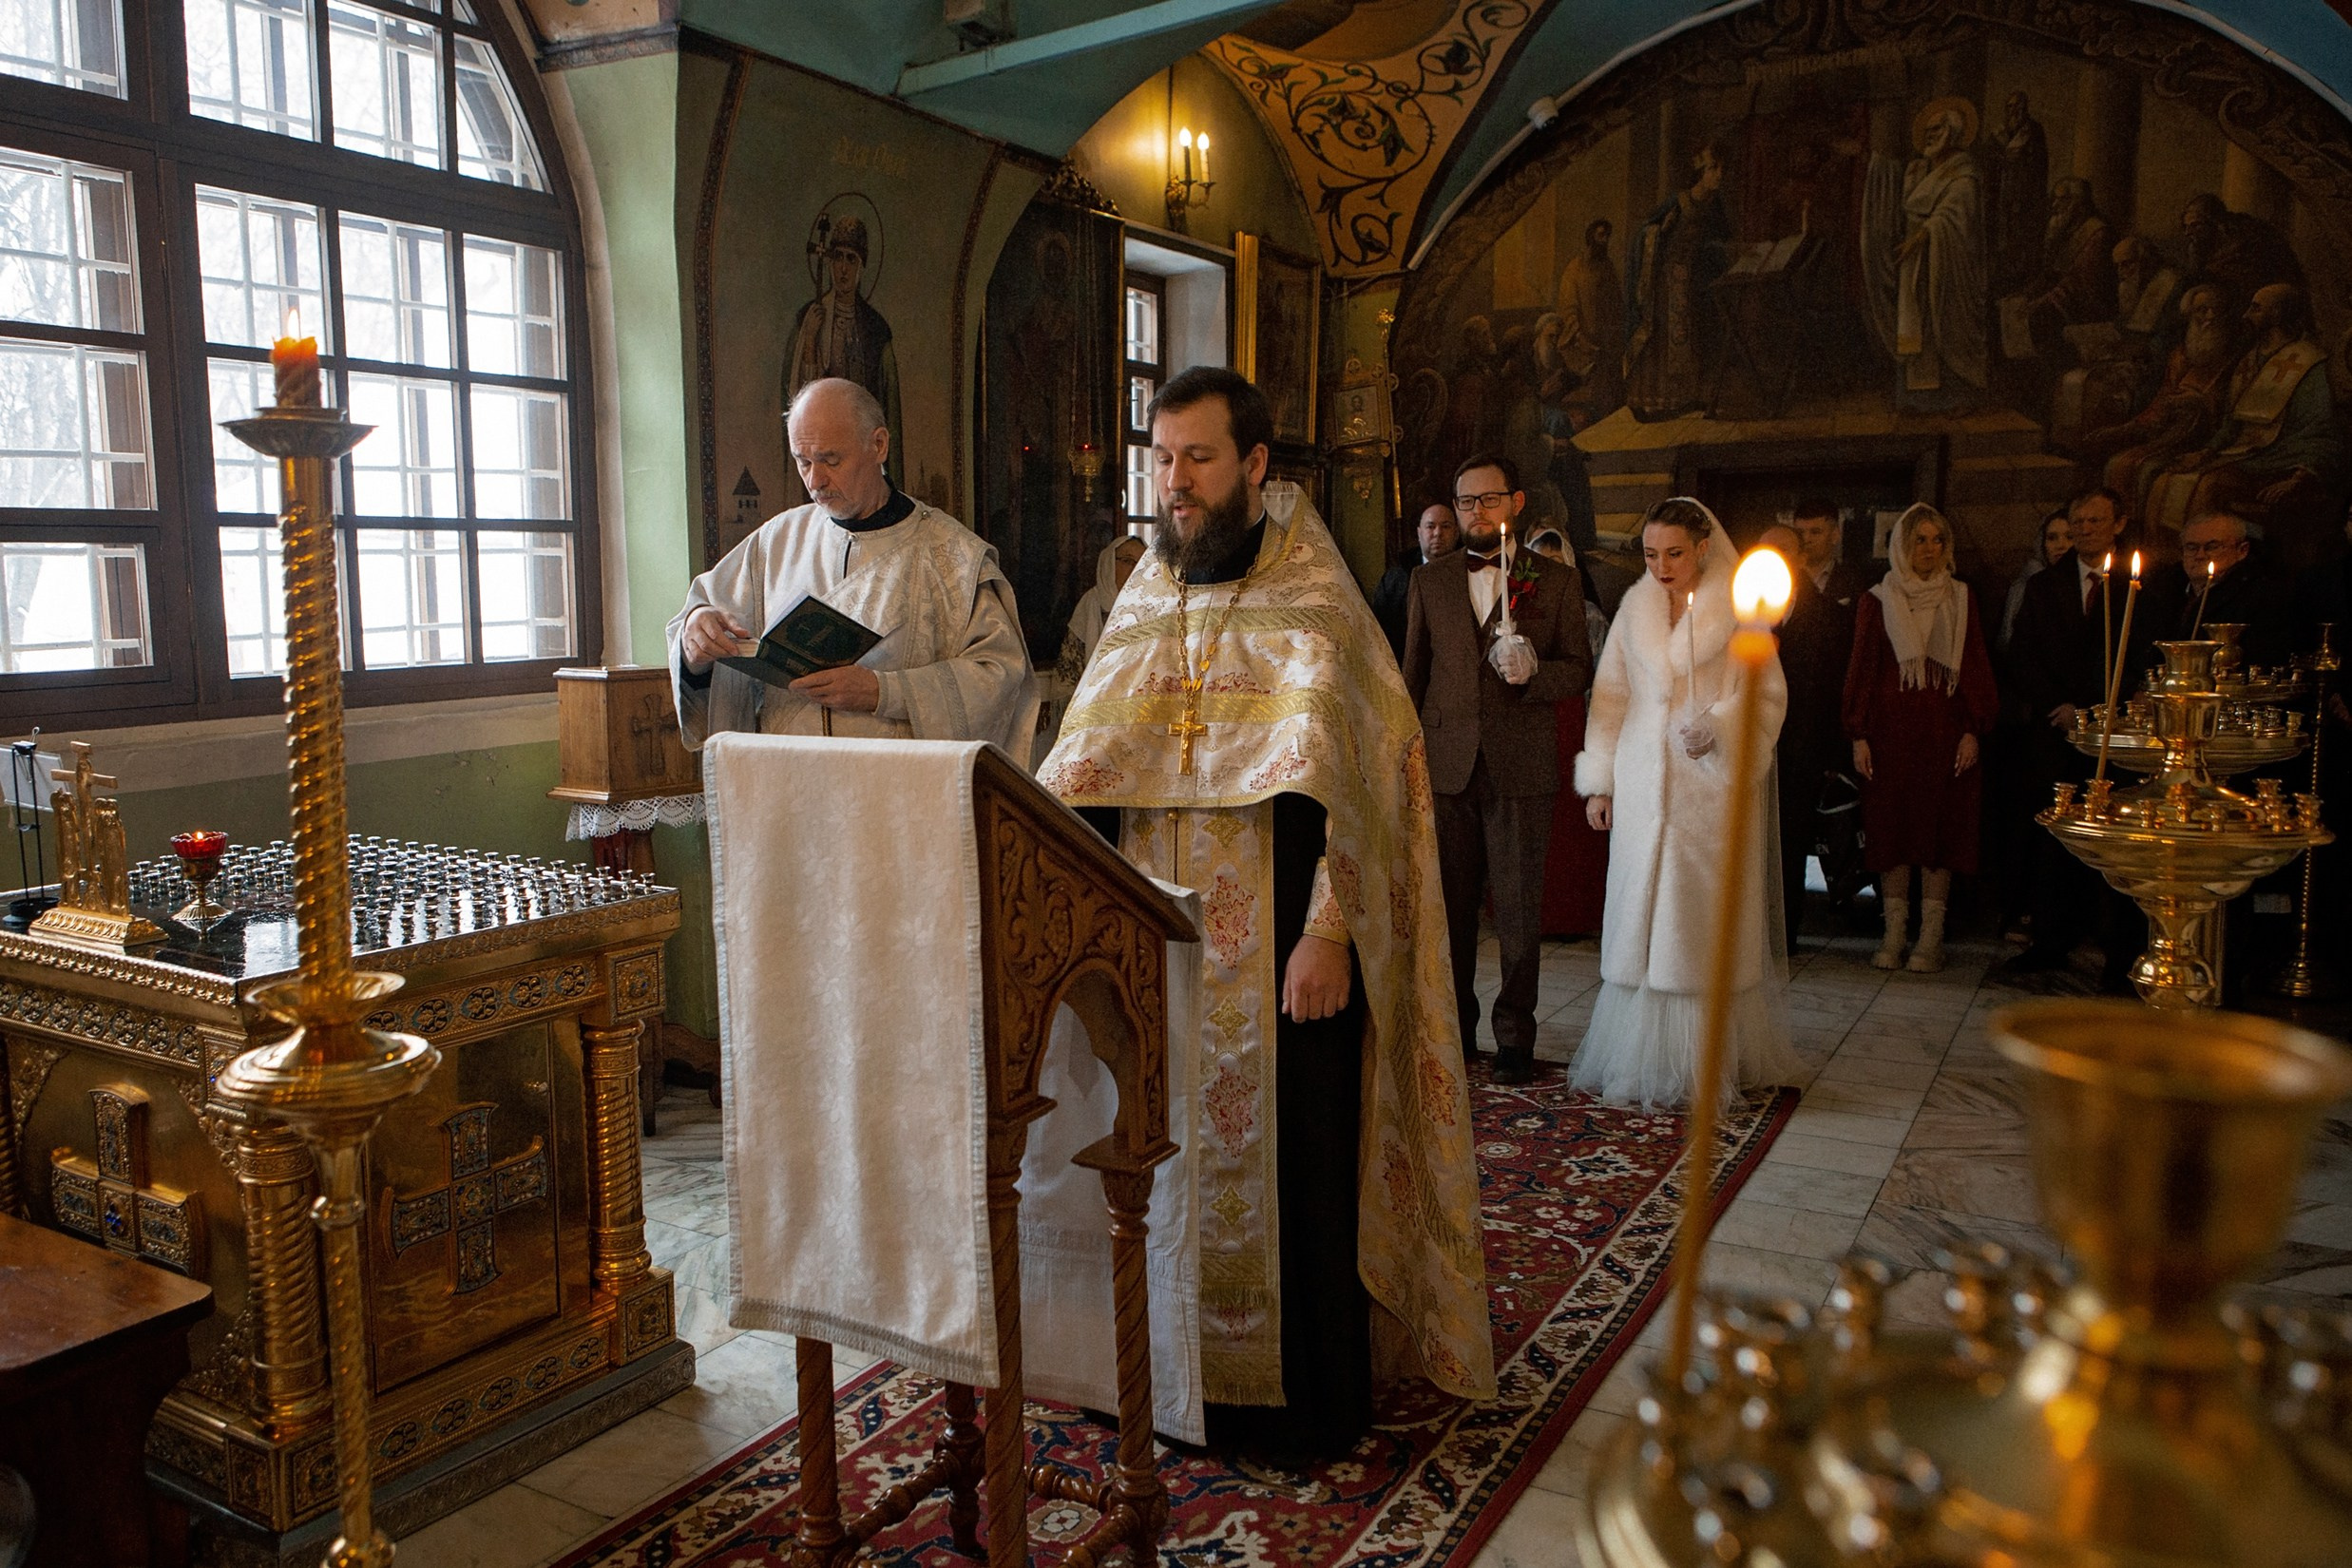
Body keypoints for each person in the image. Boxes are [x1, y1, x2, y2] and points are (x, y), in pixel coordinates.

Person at [1040, 366, 1495, 1460]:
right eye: (1162, 460)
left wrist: (1330, 932)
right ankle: (1157, 1375)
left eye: (1198, 459)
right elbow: (1083, 773)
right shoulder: (1145, 603)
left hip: (1290, 955)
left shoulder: (1320, 608)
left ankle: (1282, 1413)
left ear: (1254, 465)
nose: (1175, 483)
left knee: (1296, 1174)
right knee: (1148, 1161)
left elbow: (1370, 791)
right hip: (1156, 960)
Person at [1571, 497, 1800, 1106]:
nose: (1662, 567)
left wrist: (1720, 726)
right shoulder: (1634, 608)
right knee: (1636, 917)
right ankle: (1639, 1057)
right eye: (1650, 554)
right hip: (1642, 781)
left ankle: (1700, 1063)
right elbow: (1611, 696)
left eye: (1673, 553)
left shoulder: (1741, 612)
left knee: (1693, 922)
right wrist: (1601, 781)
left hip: (1709, 791)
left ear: (1702, 547)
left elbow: (1767, 696)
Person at [670, 378, 1035, 755]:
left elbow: (999, 674)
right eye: (803, 461)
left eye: (831, 460)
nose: (815, 480)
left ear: (879, 445)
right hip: (789, 778)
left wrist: (884, 691)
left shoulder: (954, 555)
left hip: (895, 783)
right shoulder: (774, 542)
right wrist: (695, 637)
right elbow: (701, 628)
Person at [1403, 456, 1595, 1083]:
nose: (1476, 512)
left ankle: (1515, 1036)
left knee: (1517, 909)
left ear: (1516, 502)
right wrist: (1404, 759)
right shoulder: (1429, 580)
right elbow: (1413, 675)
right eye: (1465, 502)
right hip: (1448, 764)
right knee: (1451, 910)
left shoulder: (1555, 580)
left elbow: (1578, 668)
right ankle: (1455, 1029)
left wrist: (1535, 671)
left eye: (1488, 499)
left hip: (1521, 762)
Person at [1845, 505, 1999, 971]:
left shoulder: (1961, 597)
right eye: (1920, 540)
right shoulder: (1877, 599)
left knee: (1940, 830)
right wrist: (1858, 734)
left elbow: (1974, 664)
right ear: (1902, 545)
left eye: (1937, 540)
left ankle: (1930, 938)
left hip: (1944, 734)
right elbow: (1862, 670)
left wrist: (1973, 728)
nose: (1929, 549)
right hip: (1890, 735)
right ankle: (1893, 933)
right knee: (1891, 829)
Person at [2002, 487, 2137, 981]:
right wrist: (2059, 707)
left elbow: (2141, 653)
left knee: (2116, 845)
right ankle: (2051, 942)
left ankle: (2121, 953)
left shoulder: (2139, 583)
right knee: (2054, 844)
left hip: (2117, 736)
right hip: (2056, 735)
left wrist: (2100, 710)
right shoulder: (2045, 586)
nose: (2084, 530)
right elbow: (2022, 655)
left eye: (2095, 521)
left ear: (2118, 524)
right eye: (2078, 522)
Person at [2146, 284, 2344, 562]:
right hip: (2244, 455)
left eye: (2256, 308)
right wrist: (2205, 453)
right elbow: (2233, 422)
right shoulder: (2250, 360)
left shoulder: (2308, 362)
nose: (2246, 315)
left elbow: (2319, 430)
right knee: (2165, 481)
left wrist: (2299, 477)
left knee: (2208, 486)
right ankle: (2166, 564)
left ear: (2277, 314)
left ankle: (2207, 565)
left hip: (2279, 459)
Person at [1862, 98, 1988, 402]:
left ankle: (1955, 396)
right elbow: (1907, 205)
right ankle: (1918, 399)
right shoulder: (1921, 167)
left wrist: (1923, 236)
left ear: (1953, 132)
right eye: (1928, 131)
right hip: (1915, 262)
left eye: (1937, 130)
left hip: (1946, 261)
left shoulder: (1964, 171)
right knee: (1916, 321)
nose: (1930, 136)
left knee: (1941, 320)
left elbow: (1956, 213)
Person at [1760, 521, 1845, 952]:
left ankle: (1782, 935)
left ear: (1799, 559)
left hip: (1800, 745)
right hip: (1750, 744)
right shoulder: (1742, 609)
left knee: (1790, 842)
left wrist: (1830, 753)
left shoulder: (1828, 615)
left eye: (1782, 551)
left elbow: (1833, 688)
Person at [1527, 526, 1612, 940]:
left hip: (1575, 727)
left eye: (1555, 565)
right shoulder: (1518, 614)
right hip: (1532, 728)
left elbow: (1602, 682)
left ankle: (1575, 914)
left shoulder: (1589, 615)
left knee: (1573, 831)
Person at [788, 218, 902, 486]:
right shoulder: (811, 318)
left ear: (861, 267)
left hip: (860, 452)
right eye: (837, 257)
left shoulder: (875, 329)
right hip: (824, 445)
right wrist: (810, 341)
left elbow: (887, 400)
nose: (843, 268)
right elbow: (801, 400)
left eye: (851, 259)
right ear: (829, 263)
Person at [1624, 143, 1731, 421]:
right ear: (1700, 173)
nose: (1719, 174)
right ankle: (1653, 402)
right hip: (1664, 284)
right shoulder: (1678, 201)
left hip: (1693, 283)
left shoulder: (1714, 205)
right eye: (1713, 168)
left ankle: (1687, 397)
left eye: (1721, 168)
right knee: (1661, 339)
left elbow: (1722, 242)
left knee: (1691, 339)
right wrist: (1659, 230)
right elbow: (1644, 232)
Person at [2144, 509, 2297, 669]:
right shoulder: (2163, 589)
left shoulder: (2262, 596)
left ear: (2242, 550)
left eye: (2212, 547)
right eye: (2191, 547)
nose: (2200, 555)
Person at [1042, 533, 1146, 757]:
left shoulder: (1152, 606)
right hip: (1091, 715)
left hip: (1137, 716)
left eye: (1142, 562)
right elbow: (1071, 666)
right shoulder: (1091, 604)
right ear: (1109, 563)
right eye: (1127, 561)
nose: (1135, 568)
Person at [1371, 503, 1459, 659]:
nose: (1438, 533)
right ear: (1419, 533)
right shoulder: (1395, 580)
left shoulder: (1469, 572)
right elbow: (1380, 631)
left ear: (1456, 533)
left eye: (1446, 526)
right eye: (1430, 527)